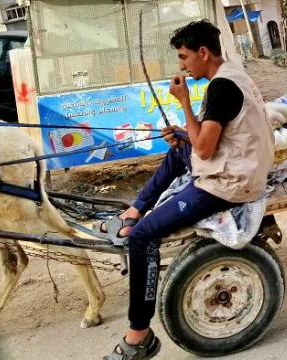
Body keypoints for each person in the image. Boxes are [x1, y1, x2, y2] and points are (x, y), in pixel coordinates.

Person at [103, 19, 274, 360]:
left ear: (203, 52)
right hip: (240, 163)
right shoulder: (231, 74)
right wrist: (185, 132)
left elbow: (206, 150)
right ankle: (136, 208)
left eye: (183, 57)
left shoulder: (221, 88)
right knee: (176, 149)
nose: (181, 65)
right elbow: (203, 140)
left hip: (230, 184)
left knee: (141, 238)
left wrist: (183, 102)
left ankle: (139, 336)